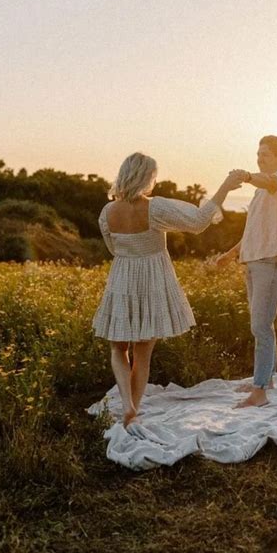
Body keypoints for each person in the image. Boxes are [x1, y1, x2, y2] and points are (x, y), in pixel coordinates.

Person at [92, 152, 242, 427]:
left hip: (122, 278)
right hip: (151, 279)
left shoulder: (107, 212)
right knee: (143, 351)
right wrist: (225, 187)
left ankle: (126, 404)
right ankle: (133, 410)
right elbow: (198, 222)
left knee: (118, 347)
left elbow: (113, 248)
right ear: (147, 177)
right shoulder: (155, 208)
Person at [215, 135, 277, 408]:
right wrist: (229, 254)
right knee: (262, 325)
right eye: (258, 153)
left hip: (271, 261)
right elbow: (252, 231)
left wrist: (248, 175)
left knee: (260, 326)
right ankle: (267, 379)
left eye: (265, 154)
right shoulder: (259, 192)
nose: (259, 158)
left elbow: (269, 180)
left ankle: (260, 391)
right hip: (254, 260)